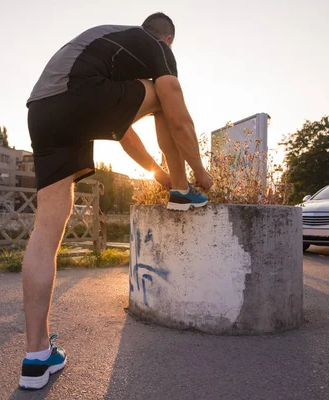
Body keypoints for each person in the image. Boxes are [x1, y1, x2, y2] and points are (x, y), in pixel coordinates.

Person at [19, 12, 214, 390]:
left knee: (45, 233)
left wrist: (155, 170)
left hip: (42, 111)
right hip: (78, 95)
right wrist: (199, 172)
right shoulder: (156, 47)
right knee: (165, 96)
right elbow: (175, 111)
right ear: (168, 40)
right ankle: (181, 190)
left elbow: (122, 132)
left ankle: (36, 357)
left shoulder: (113, 53)